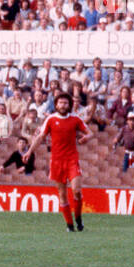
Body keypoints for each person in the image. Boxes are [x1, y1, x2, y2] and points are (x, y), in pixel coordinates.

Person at [25, 91, 92, 233]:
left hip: (72, 160)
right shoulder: (50, 119)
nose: (63, 105)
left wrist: (87, 138)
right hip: (56, 161)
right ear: (56, 105)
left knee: (77, 191)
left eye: (65, 103)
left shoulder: (75, 119)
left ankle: (79, 218)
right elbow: (40, 137)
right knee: (62, 195)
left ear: (69, 105)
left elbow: (90, 132)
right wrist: (29, 151)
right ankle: (69, 225)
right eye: (60, 103)